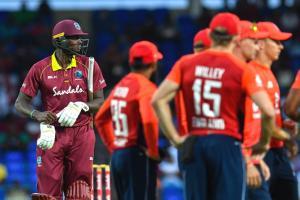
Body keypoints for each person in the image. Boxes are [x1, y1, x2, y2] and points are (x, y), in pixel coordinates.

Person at [152, 12, 286, 200]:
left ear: (212, 35)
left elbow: (158, 100)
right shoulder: (241, 69)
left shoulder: (186, 63)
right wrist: (263, 145)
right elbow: (269, 111)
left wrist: (174, 138)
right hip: (227, 144)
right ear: (235, 38)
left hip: (195, 142)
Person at [14, 19, 106, 199]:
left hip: (82, 133)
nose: (80, 42)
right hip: (52, 134)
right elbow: (20, 103)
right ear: (59, 41)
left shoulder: (90, 65)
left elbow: (100, 101)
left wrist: (82, 105)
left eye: (80, 38)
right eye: (75, 38)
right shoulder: (40, 68)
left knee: (79, 191)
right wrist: (37, 114)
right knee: (47, 193)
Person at [94, 41, 163, 200]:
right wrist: (153, 152)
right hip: (137, 155)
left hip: (119, 157)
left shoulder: (121, 85)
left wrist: (114, 146)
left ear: (131, 62)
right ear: (153, 64)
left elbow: (100, 118)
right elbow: (150, 121)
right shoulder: (146, 87)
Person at [248, 21, 298, 200]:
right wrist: (287, 137)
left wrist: (282, 123)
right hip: (260, 150)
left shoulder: (268, 73)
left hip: (277, 151)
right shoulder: (250, 73)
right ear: (260, 44)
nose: (281, 46)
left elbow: (270, 114)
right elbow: (257, 120)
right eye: (275, 41)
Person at [233, 20, 273, 200]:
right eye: (254, 42)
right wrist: (248, 162)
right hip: (236, 158)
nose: (258, 48)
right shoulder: (235, 74)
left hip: (247, 157)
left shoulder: (246, 71)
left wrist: (256, 159)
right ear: (239, 41)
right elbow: (233, 127)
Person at [175, 28, 212, 136]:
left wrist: (173, 137)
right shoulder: (220, 66)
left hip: (186, 135)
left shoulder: (182, 64)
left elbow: (160, 100)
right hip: (214, 135)